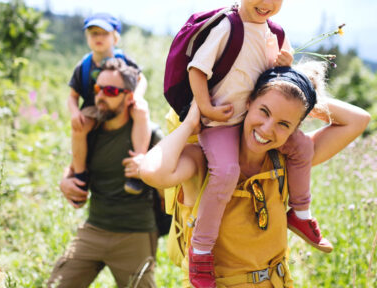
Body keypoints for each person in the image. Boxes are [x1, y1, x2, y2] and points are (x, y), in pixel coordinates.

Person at [140, 63, 370, 287]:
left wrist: (300, 95)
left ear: (294, 129)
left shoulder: (286, 162)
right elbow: (152, 172)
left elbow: (358, 120)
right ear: (247, 102)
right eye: (264, 111)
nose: (267, 128)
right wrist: (190, 123)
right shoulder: (204, 161)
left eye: (283, 123)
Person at [167, 1, 332, 285]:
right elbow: (197, 69)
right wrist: (205, 108)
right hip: (221, 123)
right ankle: (201, 249)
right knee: (226, 172)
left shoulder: (276, 32)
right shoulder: (227, 27)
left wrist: (285, 65)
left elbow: (280, 74)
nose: (267, 4)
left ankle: (301, 213)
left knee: (302, 146)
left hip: (252, 122)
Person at [48, 58, 163, 288]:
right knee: (56, 285)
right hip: (94, 229)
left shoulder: (150, 134)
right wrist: (64, 183)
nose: (100, 96)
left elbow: (171, 189)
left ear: (129, 97)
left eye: (110, 90)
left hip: (135, 234)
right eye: (98, 89)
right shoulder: (90, 130)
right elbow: (72, 168)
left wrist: (147, 172)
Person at [68, 13, 151, 197]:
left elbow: (141, 79)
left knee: (141, 110)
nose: (98, 38)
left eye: (104, 33)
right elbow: (72, 96)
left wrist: (137, 96)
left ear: (115, 37)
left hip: (122, 102)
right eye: (93, 33)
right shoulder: (84, 66)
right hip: (93, 107)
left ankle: (137, 166)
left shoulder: (124, 60)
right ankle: (80, 176)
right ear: (87, 37)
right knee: (78, 128)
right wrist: (75, 113)